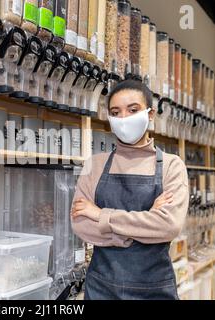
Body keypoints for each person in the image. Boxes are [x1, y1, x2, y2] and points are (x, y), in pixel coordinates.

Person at [71, 80, 189, 300]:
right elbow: (81, 224)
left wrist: (100, 215)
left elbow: (168, 226)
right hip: (101, 287)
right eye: (116, 112)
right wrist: (144, 225)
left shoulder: (172, 165)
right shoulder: (94, 164)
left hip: (154, 289)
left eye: (133, 110)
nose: (124, 118)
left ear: (150, 114)